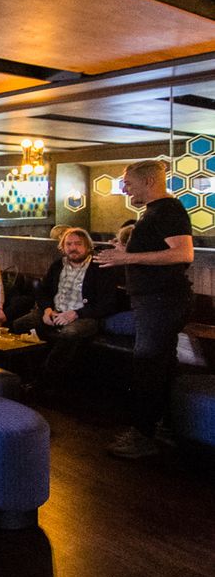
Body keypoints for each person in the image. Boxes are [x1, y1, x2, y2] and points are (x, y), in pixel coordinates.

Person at [96, 159, 194, 459]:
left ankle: (142, 436)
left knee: (148, 366)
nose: (125, 189)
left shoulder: (168, 210)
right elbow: (159, 253)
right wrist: (126, 252)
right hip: (154, 301)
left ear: (149, 181)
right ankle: (162, 426)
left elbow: (183, 253)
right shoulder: (154, 212)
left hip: (161, 302)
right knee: (160, 366)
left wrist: (128, 258)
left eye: (128, 183)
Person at [12, 227, 117, 396]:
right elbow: (42, 291)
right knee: (20, 324)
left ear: (88, 246)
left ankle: (45, 380)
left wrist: (76, 313)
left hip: (85, 316)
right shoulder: (58, 265)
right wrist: (47, 310)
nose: (73, 248)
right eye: (69, 244)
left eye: (78, 244)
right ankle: (30, 374)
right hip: (55, 311)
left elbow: (107, 303)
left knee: (69, 333)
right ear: (63, 247)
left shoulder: (99, 267)